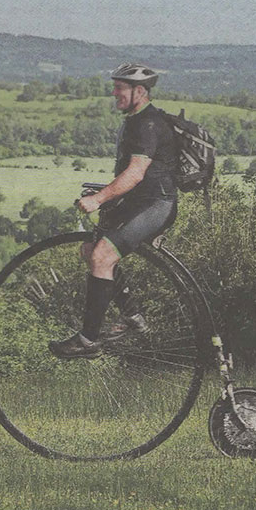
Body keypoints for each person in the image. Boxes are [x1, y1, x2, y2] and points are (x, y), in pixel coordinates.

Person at [48, 63, 178, 358]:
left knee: (102, 256)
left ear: (140, 91)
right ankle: (132, 316)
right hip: (137, 203)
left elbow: (135, 174)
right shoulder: (135, 121)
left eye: (120, 88)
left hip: (156, 205)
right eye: (115, 87)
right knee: (90, 250)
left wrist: (99, 199)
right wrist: (104, 196)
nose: (114, 92)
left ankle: (88, 340)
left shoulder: (147, 124)